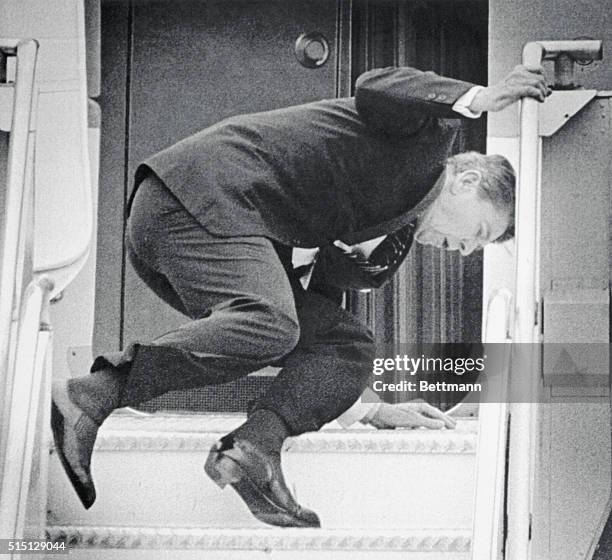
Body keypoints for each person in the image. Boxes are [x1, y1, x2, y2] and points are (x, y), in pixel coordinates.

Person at [51, 64, 549, 528]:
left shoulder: (386, 250)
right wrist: (478, 97)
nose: (464, 252)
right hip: (195, 200)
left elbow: (316, 317)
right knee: (270, 321)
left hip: (217, 235)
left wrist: (368, 408)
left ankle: (254, 450)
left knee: (345, 344)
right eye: (478, 232)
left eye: (475, 249)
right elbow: (377, 85)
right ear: (465, 180)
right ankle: (94, 393)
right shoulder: (426, 137)